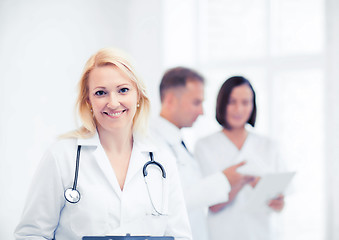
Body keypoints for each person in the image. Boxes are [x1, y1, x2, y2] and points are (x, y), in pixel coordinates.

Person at [14, 48, 192, 240]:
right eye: (101, 93)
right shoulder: (62, 156)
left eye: (123, 90)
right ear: (88, 100)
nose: (113, 103)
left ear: (138, 96)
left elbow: (180, 236)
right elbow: (31, 234)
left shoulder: (162, 159)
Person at [150, 67, 254, 240]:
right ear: (170, 101)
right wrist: (224, 180)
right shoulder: (153, 143)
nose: (202, 111)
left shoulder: (177, 142)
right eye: (196, 102)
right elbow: (169, 202)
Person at [194, 76, 286, 240]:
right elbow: (213, 204)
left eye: (245, 102)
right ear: (222, 104)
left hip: (261, 233)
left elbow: (279, 201)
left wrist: (278, 203)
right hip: (221, 233)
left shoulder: (269, 145)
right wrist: (242, 179)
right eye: (232, 102)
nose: (239, 109)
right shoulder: (204, 146)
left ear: (253, 105)